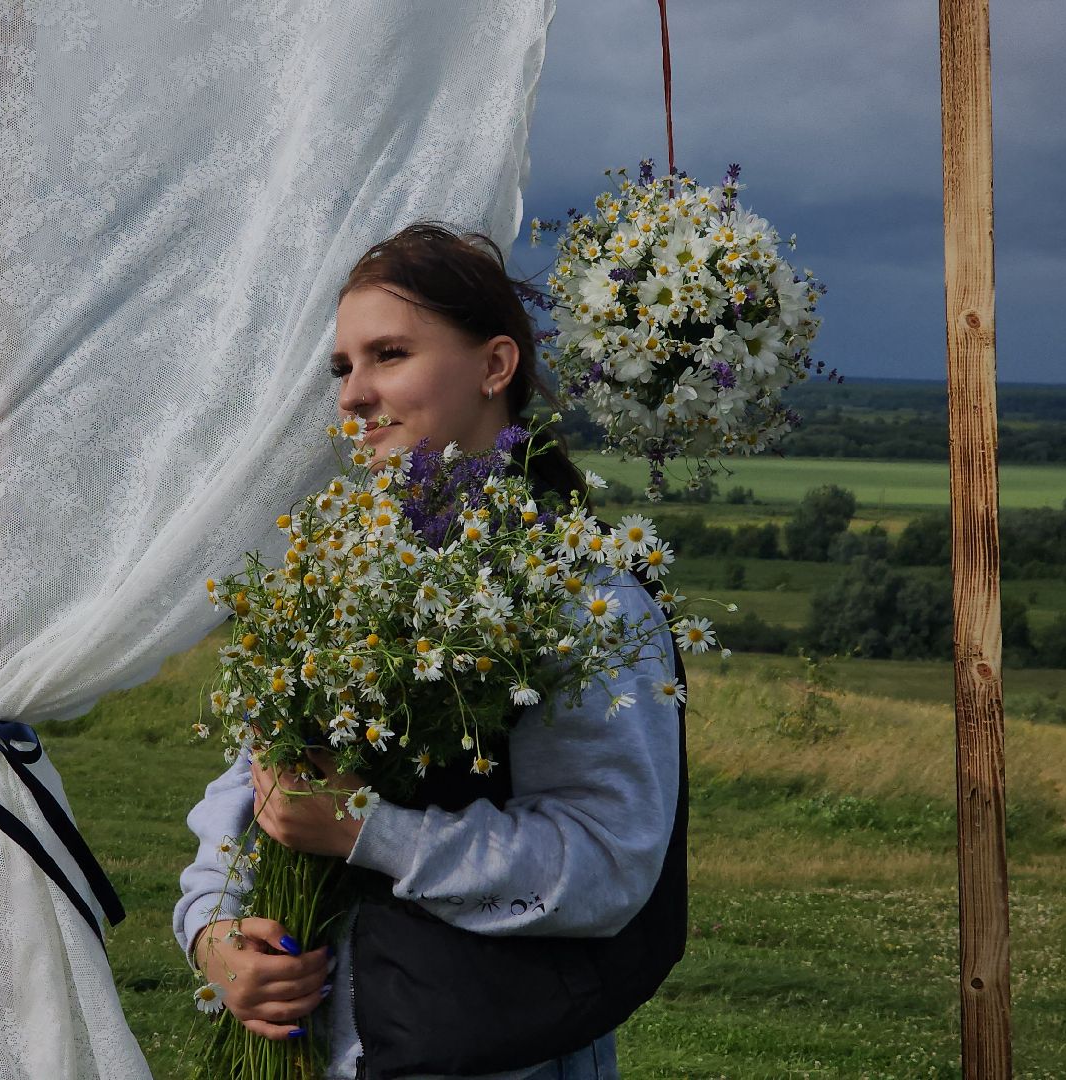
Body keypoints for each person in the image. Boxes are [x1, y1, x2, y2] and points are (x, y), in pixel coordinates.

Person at [174, 223, 689, 1079]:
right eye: (343, 366)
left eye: (389, 354)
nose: (353, 394)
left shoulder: (579, 595)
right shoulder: (349, 566)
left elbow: (605, 862)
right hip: (313, 1049)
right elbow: (258, 780)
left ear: (495, 366)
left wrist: (367, 831)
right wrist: (215, 930)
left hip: (487, 1056)